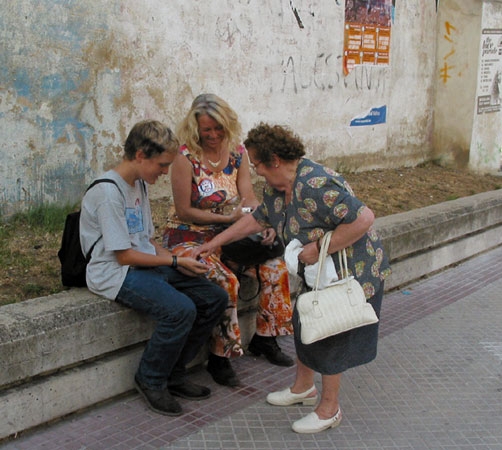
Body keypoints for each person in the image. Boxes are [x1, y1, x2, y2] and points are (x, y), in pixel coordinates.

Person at [194, 123, 391, 434]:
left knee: (330, 335)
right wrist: (216, 242)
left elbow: (364, 218)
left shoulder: (314, 184)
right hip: (320, 272)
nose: (255, 171)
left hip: (352, 270)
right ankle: (303, 387)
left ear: (273, 160)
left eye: (256, 163)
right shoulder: (278, 187)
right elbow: (257, 219)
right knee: (305, 322)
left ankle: (329, 408)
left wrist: (317, 248)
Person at [79, 120, 229, 417]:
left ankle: (174, 373)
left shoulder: (138, 185)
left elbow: (146, 242)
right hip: (115, 273)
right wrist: (174, 261)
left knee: (214, 297)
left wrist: (181, 263)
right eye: (161, 166)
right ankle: (150, 379)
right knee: (180, 309)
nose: (164, 173)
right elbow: (124, 256)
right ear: (139, 155)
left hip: (143, 262)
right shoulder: (108, 194)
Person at [162, 94, 294, 388]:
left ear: (227, 124)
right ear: (194, 128)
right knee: (226, 282)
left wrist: (261, 222)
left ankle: (266, 339)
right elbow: (184, 210)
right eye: (206, 129)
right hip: (189, 234)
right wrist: (227, 220)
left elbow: (247, 196)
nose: (212, 135)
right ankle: (219, 358)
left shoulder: (237, 152)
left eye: (217, 128)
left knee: (275, 266)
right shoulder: (184, 158)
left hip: (230, 232)